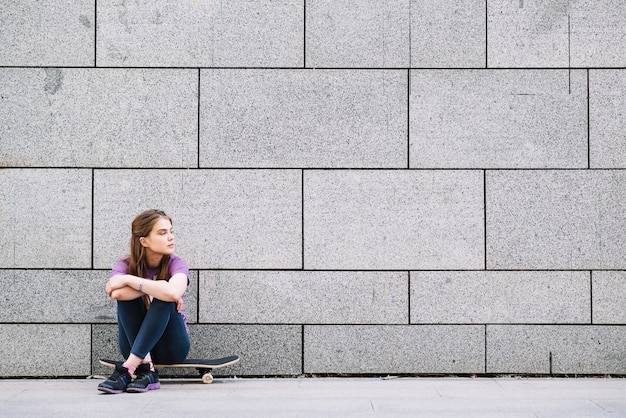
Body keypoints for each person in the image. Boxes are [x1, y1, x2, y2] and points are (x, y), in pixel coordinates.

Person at [98, 209, 190, 394]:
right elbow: (117, 294)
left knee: (165, 298)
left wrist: (129, 280)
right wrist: (156, 287)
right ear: (144, 241)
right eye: (162, 233)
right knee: (138, 297)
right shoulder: (125, 264)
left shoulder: (176, 263)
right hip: (133, 345)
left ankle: (129, 368)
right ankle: (145, 366)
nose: (170, 237)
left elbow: (172, 292)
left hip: (171, 347)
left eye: (171, 231)